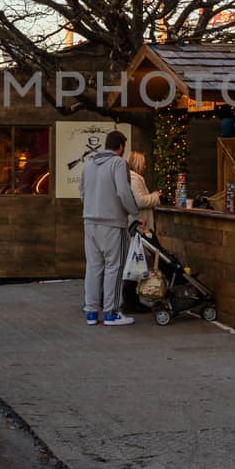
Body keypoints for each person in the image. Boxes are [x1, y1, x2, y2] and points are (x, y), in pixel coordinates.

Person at [79, 129, 140, 327]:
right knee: (114, 267)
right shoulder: (118, 163)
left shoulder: (88, 164)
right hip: (113, 223)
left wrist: (92, 207)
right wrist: (134, 211)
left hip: (90, 222)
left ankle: (90, 312)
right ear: (120, 147)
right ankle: (111, 312)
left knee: (93, 267)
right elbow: (123, 192)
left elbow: (82, 191)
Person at [122, 151, 162, 314]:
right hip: (138, 225)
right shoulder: (134, 179)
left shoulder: (132, 178)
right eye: (143, 163)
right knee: (135, 262)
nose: (145, 166)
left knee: (135, 262)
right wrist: (156, 196)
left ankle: (131, 299)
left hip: (137, 224)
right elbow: (140, 201)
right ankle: (131, 301)